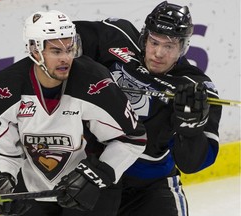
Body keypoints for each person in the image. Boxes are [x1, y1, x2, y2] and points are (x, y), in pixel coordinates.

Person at [0, 10, 147, 216]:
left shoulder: (94, 82)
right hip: (33, 193)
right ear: (34, 50)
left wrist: (95, 176)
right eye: (56, 51)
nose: (66, 58)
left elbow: (132, 138)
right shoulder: (8, 86)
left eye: (70, 49)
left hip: (90, 192)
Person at [74, 1, 222, 215]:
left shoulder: (193, 87)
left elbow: (192, 164)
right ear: (144, 37)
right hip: (95, 171)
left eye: (169, 46)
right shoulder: (116, 37)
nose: (158, 53)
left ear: (183, 47)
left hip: (149, 184)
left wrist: (191, 129)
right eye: (154, 42)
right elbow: (58, 44)